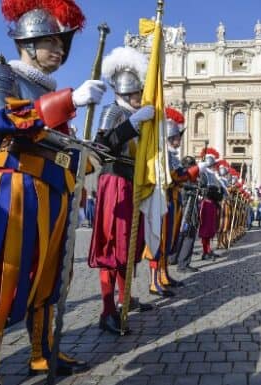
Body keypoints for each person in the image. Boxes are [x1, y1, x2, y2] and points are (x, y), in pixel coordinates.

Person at [0, 0, 103, 382]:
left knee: (49, 278)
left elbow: (58, 142)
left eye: (63, 44)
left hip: (53, 192)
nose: (60, 50)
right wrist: (69, 101)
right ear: (27, 43)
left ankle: (41, 353)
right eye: (51, 42)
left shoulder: (48, 90)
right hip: (15, 187)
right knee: (1, 277)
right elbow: (3, 119)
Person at [87, 45, 158, 335]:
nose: (140, 98)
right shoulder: (114, 112)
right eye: (137, 94)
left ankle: (124, 297)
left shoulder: (137, 118)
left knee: (128, 248)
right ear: (127, 93)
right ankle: (107, 310)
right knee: (112, 249)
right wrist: (131, 124)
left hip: (132, 186)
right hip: (114, 183)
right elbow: (103, 147)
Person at [149, 107, 197, 298]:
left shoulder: (171, 156)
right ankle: (154, 281)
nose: (179, 141)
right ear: (169, 136)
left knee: (168, 241)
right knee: (158, 241)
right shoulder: (163, 155)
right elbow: (176, 177)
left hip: (173, 201)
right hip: (163, 200)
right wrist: (195, 170)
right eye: (177, 137)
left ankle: (164, 274)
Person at [198, 149, 226, 260]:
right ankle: (205, 251)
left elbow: (218, 189)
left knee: (210, 229)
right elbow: (202, 187)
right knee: (205, 229)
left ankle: (209, 250)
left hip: (213, 203)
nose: (214, 165)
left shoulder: (213, 175)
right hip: (206, 203)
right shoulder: (203, 173)